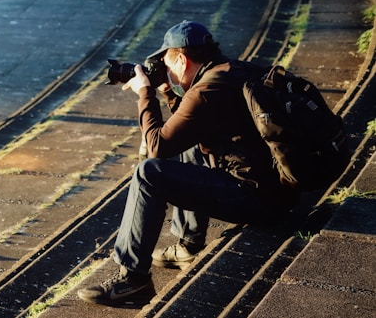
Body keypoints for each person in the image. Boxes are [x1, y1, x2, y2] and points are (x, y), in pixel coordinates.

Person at [77, 21, 298, 305]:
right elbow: (187, 123)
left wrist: (145, 93)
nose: (168, 73)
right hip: (277, 192)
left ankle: (133, 279)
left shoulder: (205, 93)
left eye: (169, 67)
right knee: (189, 141)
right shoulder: (231, 72)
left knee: (149, 173)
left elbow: (157, 147)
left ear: (182, 59)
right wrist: (168, 91)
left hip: (258, 201)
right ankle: (188, 244)